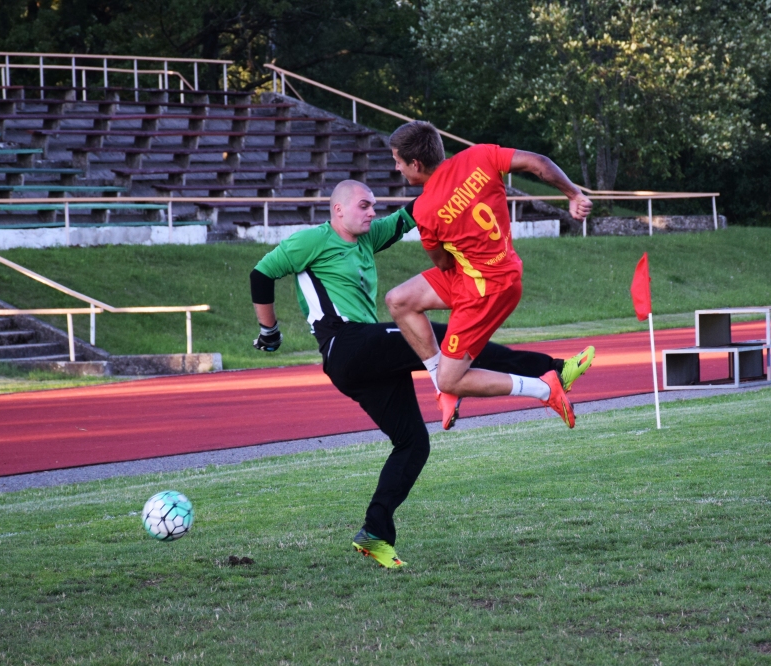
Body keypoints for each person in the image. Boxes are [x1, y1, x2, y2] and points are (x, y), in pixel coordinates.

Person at [250, 180, 595, 569]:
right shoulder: (312, 239)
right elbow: (261, 274)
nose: (372, 212)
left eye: (373, 205)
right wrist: (269, 330)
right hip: (346, 345)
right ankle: (554, 371)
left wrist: (459, 178)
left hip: (367, 358)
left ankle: (375, 533)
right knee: (447, 338)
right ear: (338, 210)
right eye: (364, 205)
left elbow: (413, 212)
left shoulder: (368, 237)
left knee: (413, 443)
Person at [385, 121, 594, 431]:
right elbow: (539, 163)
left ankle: (545, 388)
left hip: (487, 290)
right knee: (399, 300)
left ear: (415, 164)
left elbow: (443, 263)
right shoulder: (479, 155)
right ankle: (444, 391)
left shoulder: (426, 210)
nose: (397, 168)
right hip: (483, 272)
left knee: (451, 378)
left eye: (398, 161)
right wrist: (574, 194)